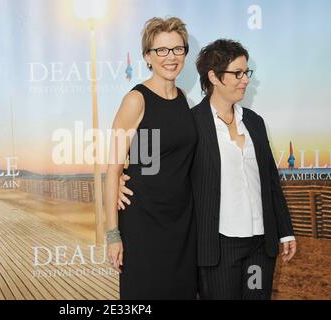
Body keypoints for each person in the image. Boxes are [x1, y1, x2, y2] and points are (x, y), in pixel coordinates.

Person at [118, 39, 297, 300]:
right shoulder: (191, 125)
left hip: (260, 246)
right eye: (237, 73)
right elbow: (161, 168)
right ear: (214, 76)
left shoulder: (255, 122)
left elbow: (270, 182)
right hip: (219, 249)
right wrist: (122, 180)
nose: (245, 80)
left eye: (246, 72)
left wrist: (285, 231)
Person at [104, 17, 198, 300]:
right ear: (147, 56)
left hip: (182, 223)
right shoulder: (136, 100)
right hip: (144, 221)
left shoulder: (183, 98)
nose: (170, 57)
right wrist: (112, 234)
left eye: (177, 49)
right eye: (161, 50)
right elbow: (112, 171)